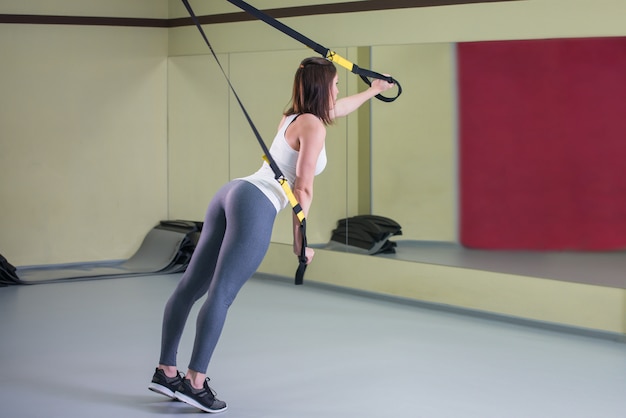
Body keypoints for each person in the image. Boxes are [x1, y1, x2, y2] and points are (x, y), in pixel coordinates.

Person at [148, 56, 394, 413]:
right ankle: (195, 383)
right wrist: (301, 243)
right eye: (336, 84)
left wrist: (373, 91)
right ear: (323, 87)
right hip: (256, 202)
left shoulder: (294, 117)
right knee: (222, 293)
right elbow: (303, 188)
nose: (339, 90)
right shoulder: (314, 127)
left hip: (233, 190)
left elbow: (336, 109)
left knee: (191, 286)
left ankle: (165, 371)